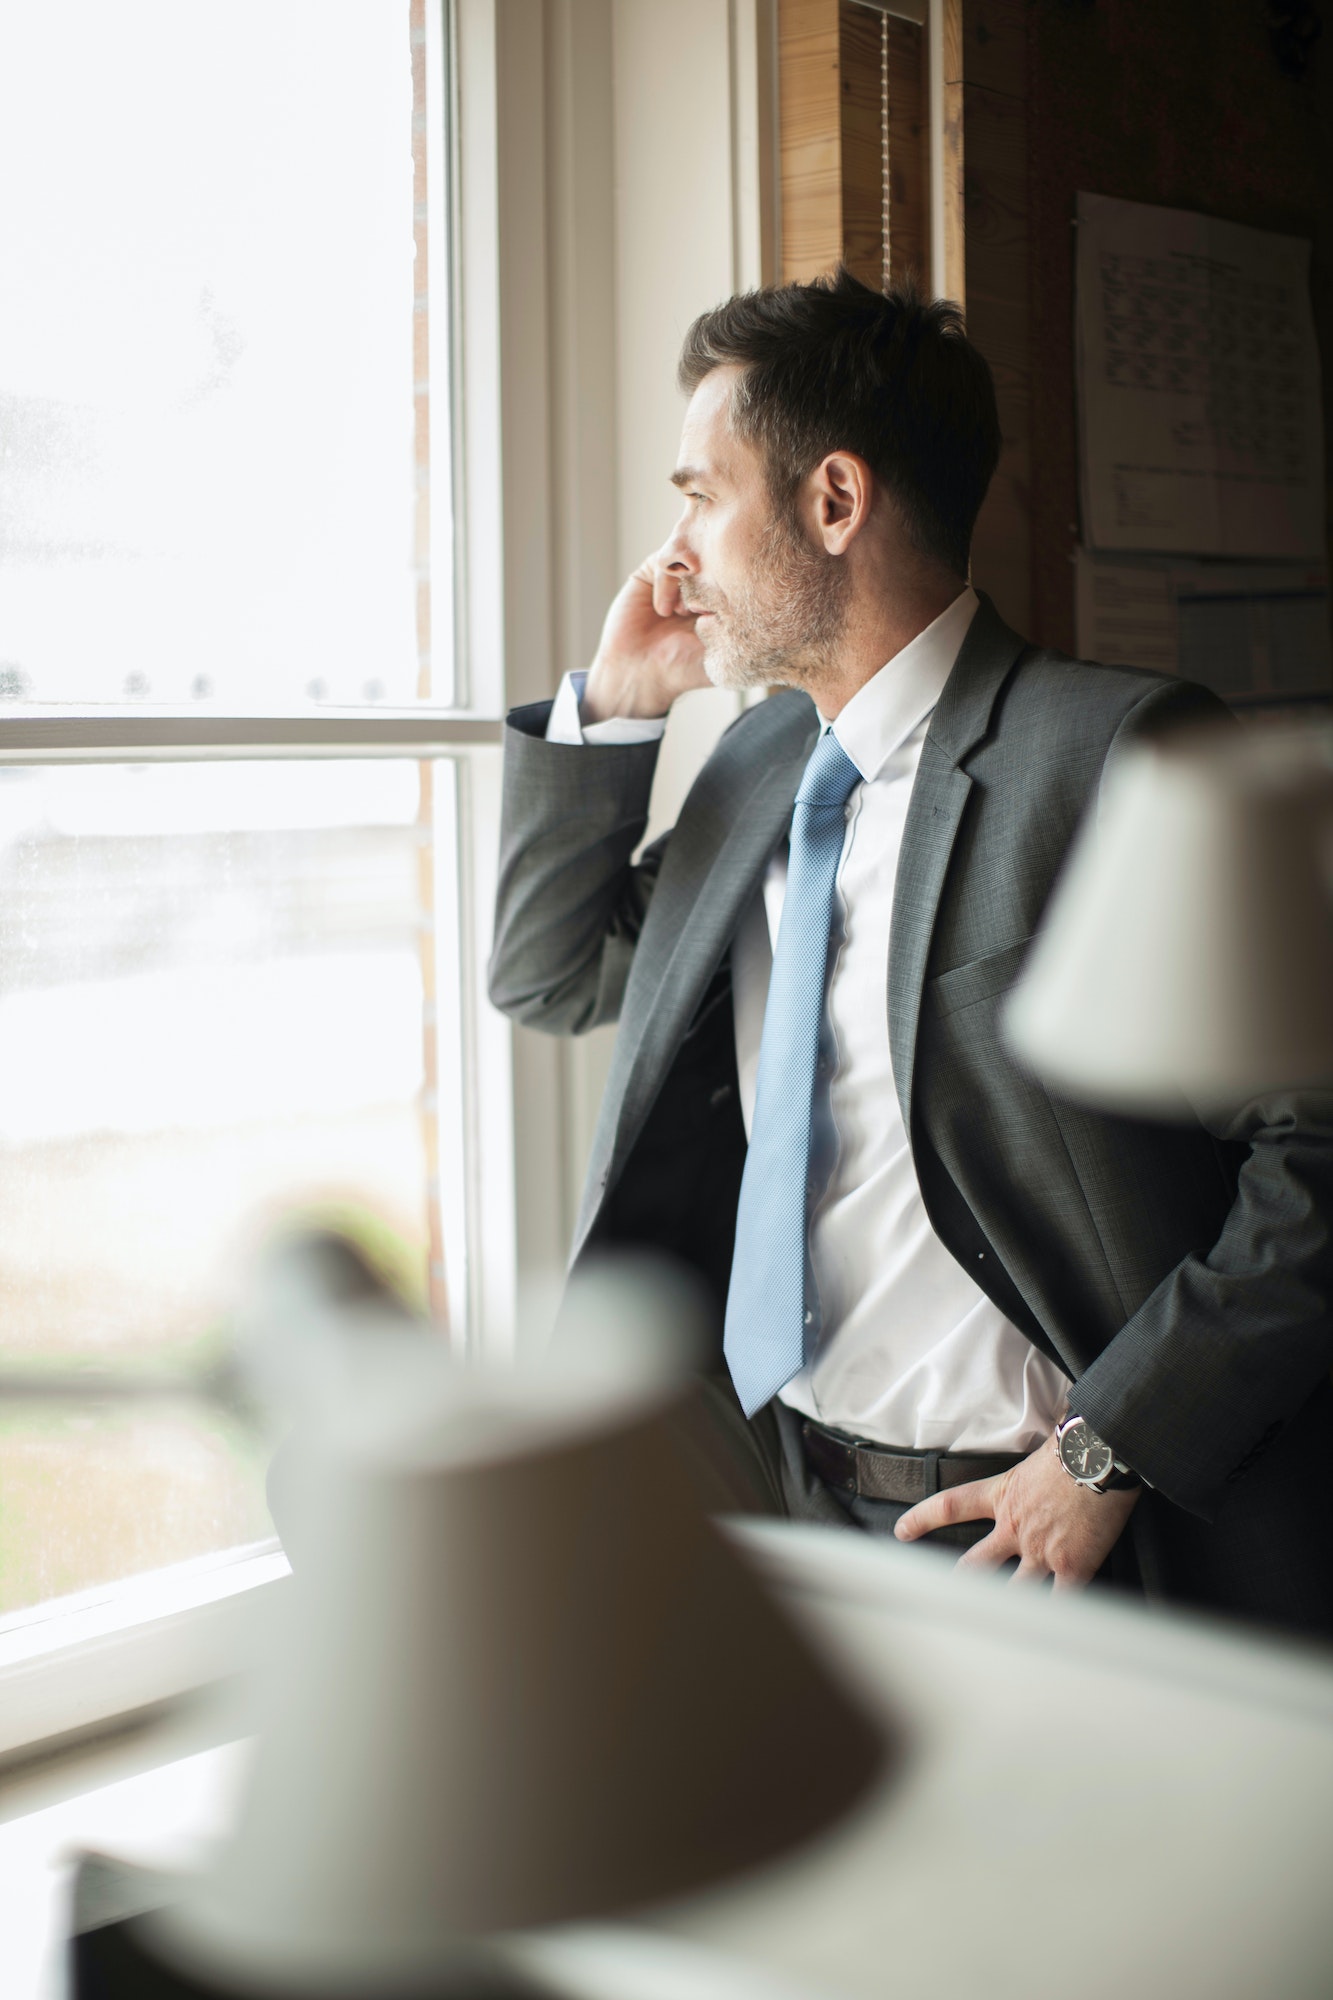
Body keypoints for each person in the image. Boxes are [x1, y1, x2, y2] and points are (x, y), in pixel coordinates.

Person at [489, 269, 1333, 1636]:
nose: (674, 551)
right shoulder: (762, 759)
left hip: (1047, 1536)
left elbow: (1315, 1150)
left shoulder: (1118, 752)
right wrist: (615, 710)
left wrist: (1105, 1452)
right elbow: (551, 975)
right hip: (780, 1504)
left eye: (702, 494)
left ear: (833, 501)